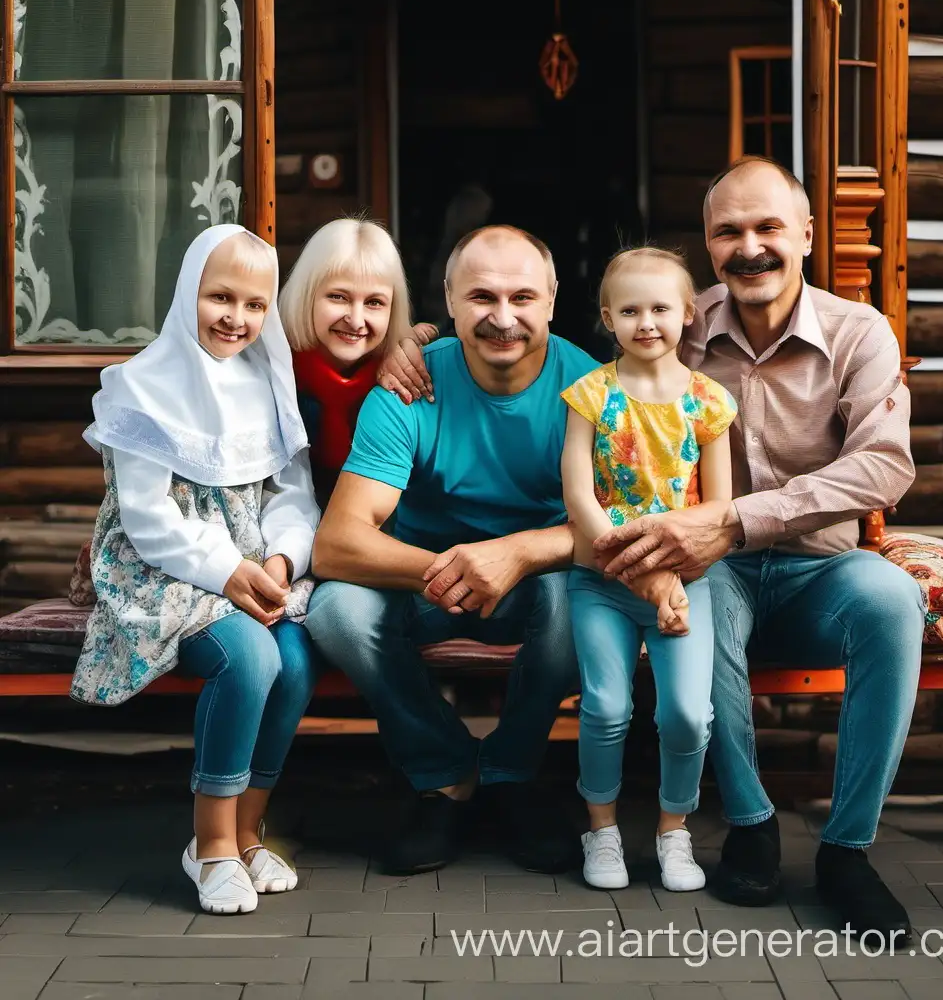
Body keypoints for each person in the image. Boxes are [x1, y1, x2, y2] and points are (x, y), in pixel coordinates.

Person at [589, 157, 925, 944]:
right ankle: (751, 822)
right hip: (716, 573)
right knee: (703, 609)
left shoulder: (858, 332)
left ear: (806, 234)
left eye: (769, 227)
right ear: (707, 245)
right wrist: (424, 338)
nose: (750, 247)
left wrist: (737, 519)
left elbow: (885, 464)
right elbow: (580, 382)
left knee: (893, 601)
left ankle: (847, 850)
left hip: (822, 572)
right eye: (728, 231)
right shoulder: (675, 326)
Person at [303, 225, 599, 875]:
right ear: (450, 299)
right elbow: (335, 544)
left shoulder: (593, 390)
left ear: (551, 299)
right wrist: (454, 565)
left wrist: (518, 553)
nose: (502, 317)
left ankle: (512, 774)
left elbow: (620, 530)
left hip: (539, 578)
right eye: (482, 297)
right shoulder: (411, 384)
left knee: (578, 608)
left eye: (523, 297)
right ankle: (444, 774)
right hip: (421, 579)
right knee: (335, 612)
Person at [71, 225, 322, 916]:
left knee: (295, 661)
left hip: (255, 564)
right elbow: (149, 517)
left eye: (254, 303)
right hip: (167, 567)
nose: (236, 318)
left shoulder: (266, 381)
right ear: (189, 293)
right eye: (219, 297)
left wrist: (280, 557)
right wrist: (229, 569)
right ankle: (209, 844)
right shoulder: (146, 385)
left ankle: (247, 830)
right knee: (250, 659)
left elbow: (290, 493)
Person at [560, 246, 737, 892]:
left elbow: (717, 506)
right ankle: (601, 829)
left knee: (688, 713)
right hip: (602, 580)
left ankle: (673, 829)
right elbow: (579, 494)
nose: (646, 322)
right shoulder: (590, 395)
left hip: (685, 583)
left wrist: (670, 574)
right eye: (629, 310)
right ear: (608, 317)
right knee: (607, 706)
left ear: (688, 314)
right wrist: (620, 555)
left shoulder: (709, 402)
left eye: (661, 308)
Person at [278, 217, 439, 507]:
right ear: (307, 295)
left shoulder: (406, 373)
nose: (355, 320)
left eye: (374, 302)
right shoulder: (271, 369)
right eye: (338, 297)